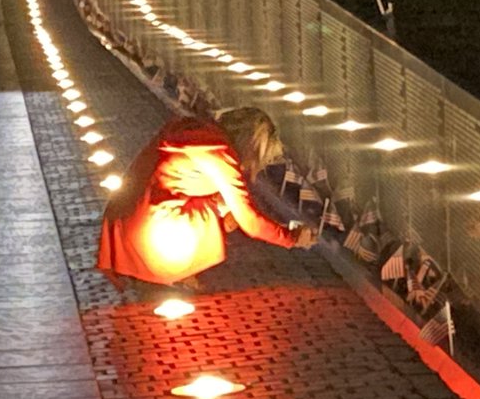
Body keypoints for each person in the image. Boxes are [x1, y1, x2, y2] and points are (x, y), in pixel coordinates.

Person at [98, 107, 317, 288]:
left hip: (122, 222)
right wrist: (291, 237)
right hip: (152, 234)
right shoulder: (220, 153)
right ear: (253, 147)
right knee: (221, 210)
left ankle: (164, 272)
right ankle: (172, 272)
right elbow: (251, 222)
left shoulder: (190, 127)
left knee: (222, 205)